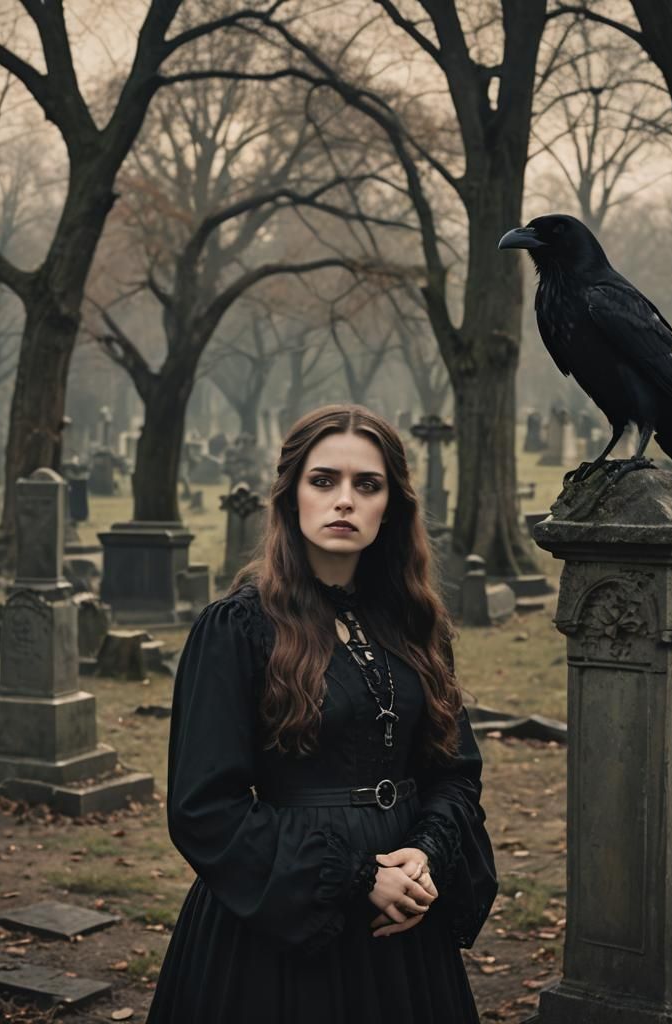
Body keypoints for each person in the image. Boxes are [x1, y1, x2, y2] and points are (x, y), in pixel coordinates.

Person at [146, 404, 497, 1024]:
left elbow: (455, 770)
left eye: (367, 485)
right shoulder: (239, 629)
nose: (345, 501)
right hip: (281, 920)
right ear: (291, 497)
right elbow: (205, 808)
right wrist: (360, 878)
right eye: (323, 480)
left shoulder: (416, 626)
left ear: (391, 506)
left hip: (406, 927)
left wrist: (424, 855)